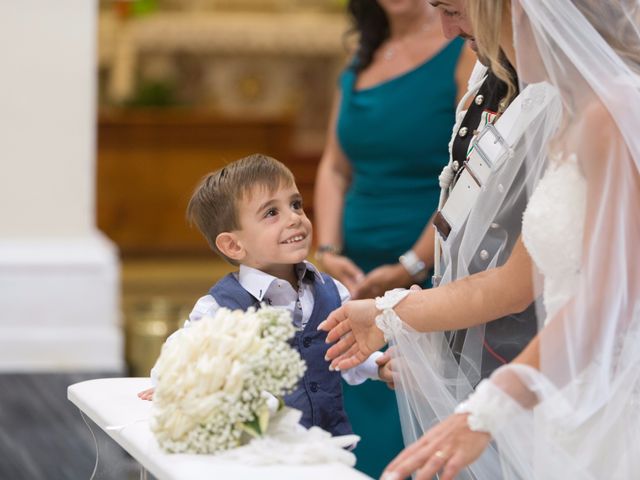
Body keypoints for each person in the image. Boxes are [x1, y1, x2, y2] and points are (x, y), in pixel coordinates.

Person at [380, 0, 640, 479]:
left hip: (606, 393)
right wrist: (395, 318)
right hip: (564, 386)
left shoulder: (613, 111)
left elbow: (606, 306)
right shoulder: (572, 113)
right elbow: (527, 271)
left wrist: (488, 410)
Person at [319, 0, 556, 470]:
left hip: (543, 374)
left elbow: (517, 284)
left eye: (451, 8)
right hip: (480, 339)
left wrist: (392, 313)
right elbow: (467, 235)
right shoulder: (492, 78)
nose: (447, 29)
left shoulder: (572, 107)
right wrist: (437, 353)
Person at [314, 1, 474, 475]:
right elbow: (335, 167)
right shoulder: (362, 58)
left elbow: (470, 169)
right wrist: (327, 249)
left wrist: (411, 263)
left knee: (404, 430)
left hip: (428, 266)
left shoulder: (461, 50)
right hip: (355, 274)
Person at [138, 154, 389, 437]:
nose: (295, 218)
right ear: (233, 245)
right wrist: (173, 383)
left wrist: (378, 367)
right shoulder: (221, 309)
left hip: (329, 445)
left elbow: (347, 351)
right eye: (272, 213)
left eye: (295, 204)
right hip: (261, 451)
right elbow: (181, 354)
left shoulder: (331, 292)